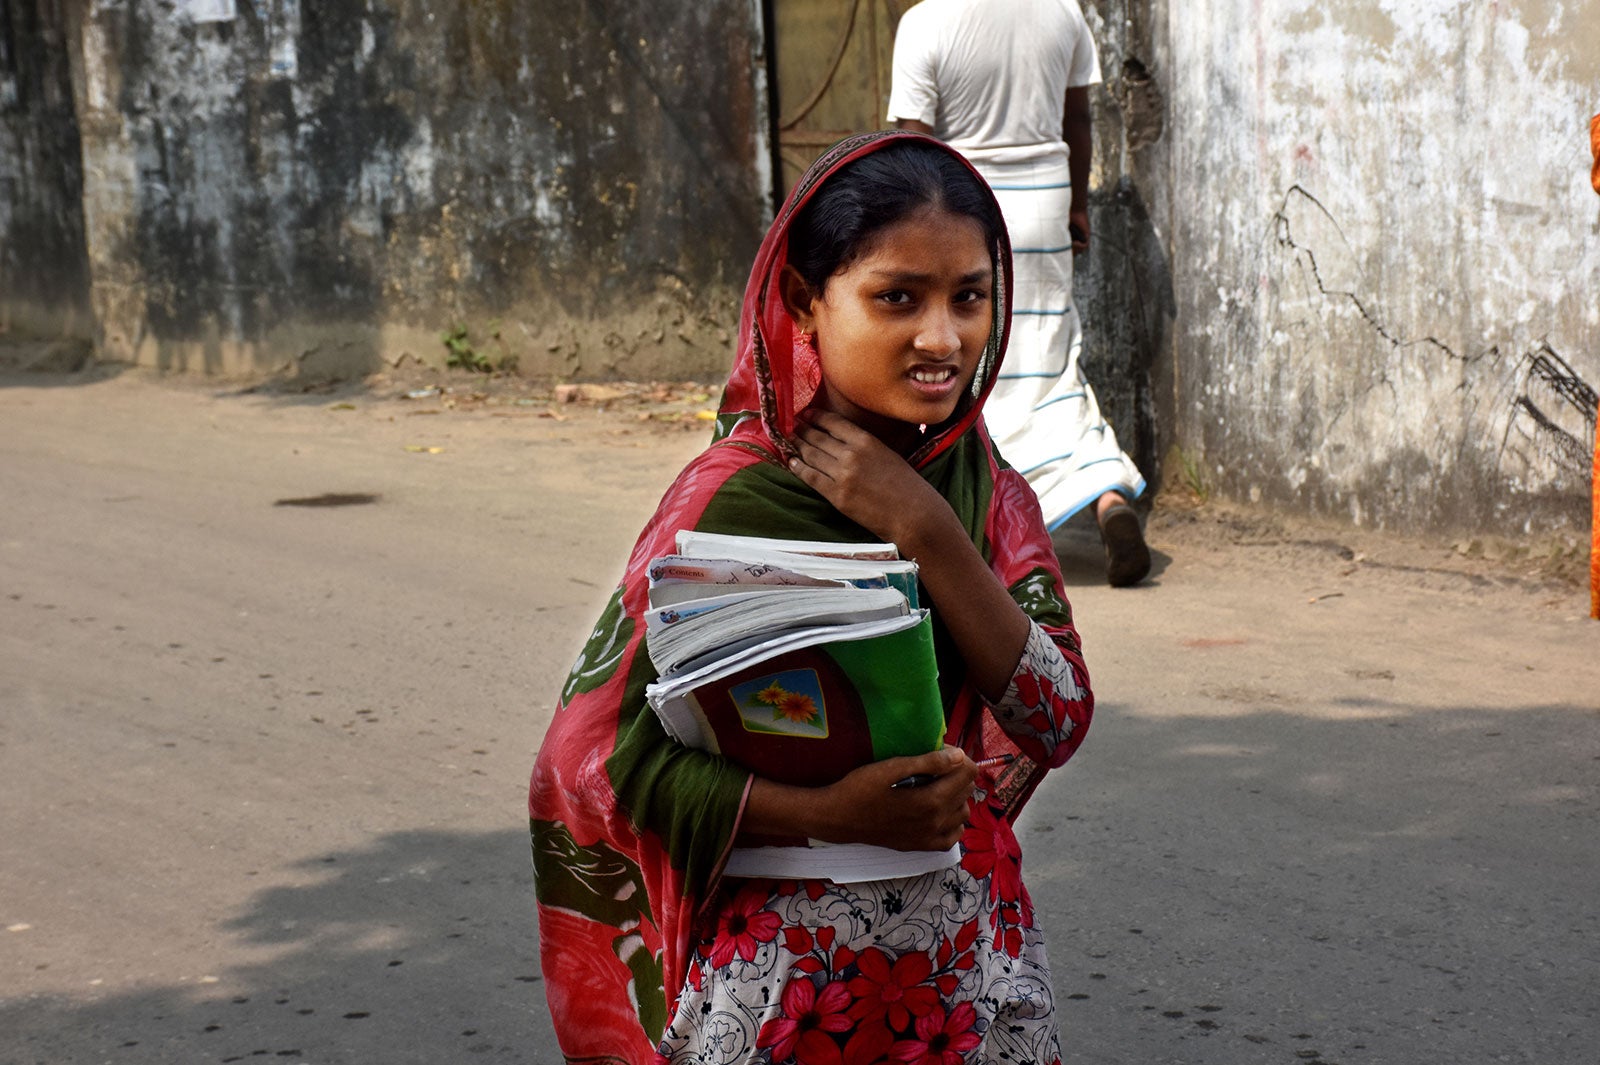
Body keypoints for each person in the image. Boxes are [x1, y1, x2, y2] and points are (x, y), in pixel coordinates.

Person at [530, 131, 1094, 1063]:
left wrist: (928, 532)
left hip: (970, 973)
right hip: (787, 993)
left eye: (970, 296)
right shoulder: (730, 501)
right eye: (897, 298)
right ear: (804, 300)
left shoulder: (986, 492)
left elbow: (1057, 716)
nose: (943, 338)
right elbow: (602, 766)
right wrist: (835, 812)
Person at [886, 0, 1152, 587]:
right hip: (1047, 199)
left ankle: (992, 528)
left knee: (980, 368)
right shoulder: (1062, 12)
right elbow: (1077, 121)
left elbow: (913, 143)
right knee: (1052, 356)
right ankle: (1105, 494)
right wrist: (1077, 205)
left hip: (967, 212)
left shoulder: (927, 21)